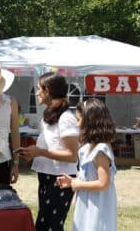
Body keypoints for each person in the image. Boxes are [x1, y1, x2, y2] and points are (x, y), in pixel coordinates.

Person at [21, 72, 79, 231]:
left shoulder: (66, 118)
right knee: (44, 225)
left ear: (48, 90)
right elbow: (51, 147)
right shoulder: (49, 115)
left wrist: (40, 152)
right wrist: (32, 154)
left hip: (60, 179)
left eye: (39, 88)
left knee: (48, 226)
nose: (37, 92)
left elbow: (72, 156)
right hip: (47, 176)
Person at [57, 99, 117, 231]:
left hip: (98, 208)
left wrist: (77, 184)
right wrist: (73, 181)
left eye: (78, 120)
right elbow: (90, 178)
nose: (77, 125)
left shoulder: (100, 150)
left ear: (90, 121)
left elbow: (103, 183)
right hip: (87, 204)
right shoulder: (87, 148)